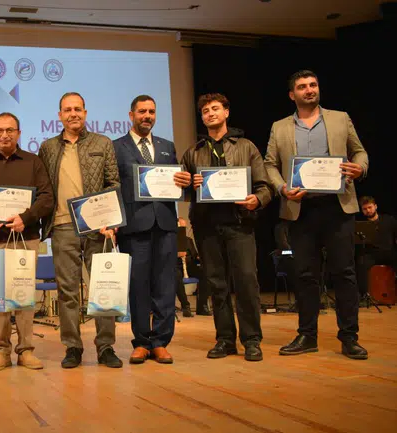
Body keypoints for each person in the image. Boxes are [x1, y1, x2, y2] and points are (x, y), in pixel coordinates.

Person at [264, 70, 369, 360]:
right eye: (302, 87)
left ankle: (349, 337)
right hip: (300, 210)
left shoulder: (339, 118)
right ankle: (307, 335)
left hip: (337, 206)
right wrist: (282, 188)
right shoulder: (280, 127)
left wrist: (360, 168)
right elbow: (269, 164)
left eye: (313, 85)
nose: (309, 90)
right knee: (305, 275)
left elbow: (360, 153)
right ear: (292, 95)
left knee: (344, 273)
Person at [183, 93, 274, 361]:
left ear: (226, 113)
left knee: (246, 281)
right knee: (216, 284)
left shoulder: (246, 146)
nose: (210, 114)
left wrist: (256, 200)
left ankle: (252, 339)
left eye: (215, 109)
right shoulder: (193, 151)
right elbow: (182, 188)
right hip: (207, 226)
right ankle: (225, 339)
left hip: (240, 224)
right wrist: (190, 184)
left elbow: (265, 186)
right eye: (205, 111)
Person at [39, 93, 123, 369]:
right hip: (63, 226)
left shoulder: (103, 142)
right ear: (59, 115)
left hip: (97, 227)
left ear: (85, 113)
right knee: (67, 292)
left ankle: (106, 346)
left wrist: (111, 220)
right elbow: (44, 189)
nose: (73, 113)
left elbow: (113, 183)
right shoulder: (48, 147)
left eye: (77, 109)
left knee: (103, 289)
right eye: (67, 109)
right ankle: (73, 346)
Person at [0, 112, 54, 371]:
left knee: (24, 296)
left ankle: (26, 350)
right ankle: (1, 351)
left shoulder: (34, 162)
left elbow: (47, 198)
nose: (5, 135)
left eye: (10, 130)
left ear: (19, 133)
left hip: (26, 238)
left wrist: (26, 218)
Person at [112, 95, 191, 365]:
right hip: (133, 227)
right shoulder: (116, 147)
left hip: (166, 224)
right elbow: (113, 187)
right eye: (142, 111)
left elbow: (178, 183)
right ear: (131, 115)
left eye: (152, 112)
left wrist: (184, 181)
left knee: (166, 285)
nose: (147, 115)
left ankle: (161, 342)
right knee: (138, 287)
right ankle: (141, 342)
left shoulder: (167, 146)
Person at [356, 196, 397, 296]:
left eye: (370, 207)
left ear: (375, 206)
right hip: (372, 254)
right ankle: (364, 295)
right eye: (365, 209)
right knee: (361, 263)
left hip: (389, 252)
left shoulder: (389, 220)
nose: (368, 210)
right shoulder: (362, 224)